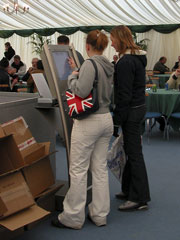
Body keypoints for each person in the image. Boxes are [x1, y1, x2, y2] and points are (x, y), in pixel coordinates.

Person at [52, 30, 114, 229]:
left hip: (89, 122)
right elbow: (95, 83)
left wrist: (71, 77)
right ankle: (100, 214)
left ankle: (72, 217)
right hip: (106, 119)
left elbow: (81, 90)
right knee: (99, 169)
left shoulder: (89, 64)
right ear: (103, 46)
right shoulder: (107, 64)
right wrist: (78, 70)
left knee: (78, 170)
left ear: (87, 46)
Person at [110, 25, 150, 211]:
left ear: (120, 39)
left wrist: (117, 120)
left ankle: (139, 198)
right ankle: (128, 189)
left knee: (134, 154)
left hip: (131, 111)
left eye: (112, 39)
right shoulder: (136, 58)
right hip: (138, 108)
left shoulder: (125, 62)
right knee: (130, 150)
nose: (111, 43)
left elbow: (123, 95)